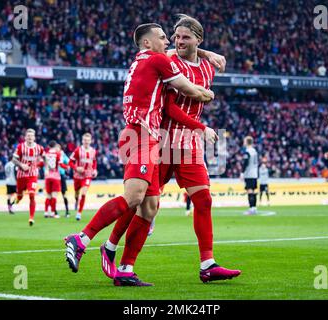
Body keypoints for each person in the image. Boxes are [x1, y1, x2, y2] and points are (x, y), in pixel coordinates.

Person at [64, 22, 218, 286]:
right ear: (147, 43)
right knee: (133, 197)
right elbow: (189, 90)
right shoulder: (157, 60)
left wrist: (205, 55)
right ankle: (82, 238)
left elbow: (184, 55)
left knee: (149, 206)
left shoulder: (143, 61)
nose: (168, 40)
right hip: (141, 135)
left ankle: (124, 270)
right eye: (162, 37)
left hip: (145, 136)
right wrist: (207, 94)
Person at [100, 15, 240, 284]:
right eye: (175, 37)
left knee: (204, 200)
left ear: (198, 39)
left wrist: (208, 53)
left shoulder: (208, 67)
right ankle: (113, 249)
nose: (178, 41)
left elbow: (200, 59)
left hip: (188, 147)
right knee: (140, 201)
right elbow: (170, 107)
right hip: (162, 142)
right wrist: (201, 127)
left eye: (185, 37)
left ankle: (208, 264)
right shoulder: (169, 61)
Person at [12, 129, 45, 226]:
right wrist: (21, 165)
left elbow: (44, 159)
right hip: (21, 175)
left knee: (31, 194)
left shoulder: (39, 148)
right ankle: (17, 199)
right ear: (25, 137)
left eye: (32, 136)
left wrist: (39, 165)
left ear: (34, 137)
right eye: (28, 136)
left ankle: (31, 218)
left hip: (33, 175)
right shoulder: (20, 147)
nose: (30, 138)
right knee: (20, 195)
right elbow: (14, 159)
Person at [68, 133, 97, 221]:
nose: (86, 142)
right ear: (82, 141)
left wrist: (95, 170)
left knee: (83, 193)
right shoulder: (77, 150)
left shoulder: (93, 151)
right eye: (84, 140)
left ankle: (79, 213)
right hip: (77, 176)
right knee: (77, 194)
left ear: (90, 141)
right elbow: (70, 162)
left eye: (88, 140)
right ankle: (77, 200)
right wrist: (76, 168)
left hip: (87, 176)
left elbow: (94, 161)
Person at [42, 140, 66, 219]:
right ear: (55, 146)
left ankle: (46, 212)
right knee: (54, 196)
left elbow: (42, 164)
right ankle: (52, 213)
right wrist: (68, 167)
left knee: (48, 196)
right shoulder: (58, 154)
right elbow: (61, 164)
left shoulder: (46, 154)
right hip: (55, 176)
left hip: (47, 177)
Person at [241, 136, 259, 215]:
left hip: (249, 174)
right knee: (253, 191)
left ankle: (251, 208)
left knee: (250, 191)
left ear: (247, 142)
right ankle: (254, 207)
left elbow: (245, 163)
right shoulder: (255, 151)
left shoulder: (247, 151)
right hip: (255, 174)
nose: (243, 142)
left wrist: (242, 173)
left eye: (244, 141)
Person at [56, 143, 71, 218]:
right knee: (53, 194)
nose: (56, 149)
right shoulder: (51, 154)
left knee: (64, 193)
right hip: (54, 176)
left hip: (61, 176)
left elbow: (69, 162)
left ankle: (67, 211)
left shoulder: (62, 154)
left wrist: (67, 167)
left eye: (58, 148)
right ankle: (54, 211)